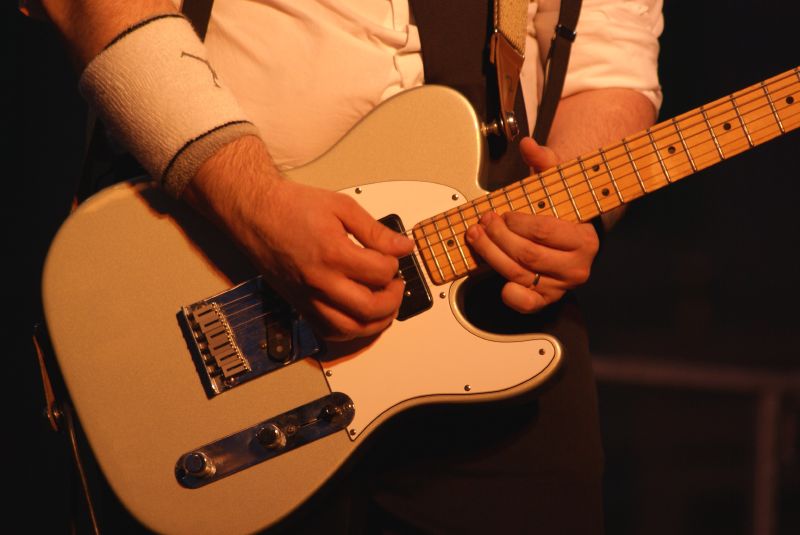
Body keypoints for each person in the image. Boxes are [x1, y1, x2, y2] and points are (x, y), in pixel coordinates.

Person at [36, 0, 662, 532]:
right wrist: (255, 206)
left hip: (495, 323)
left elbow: (609, 52)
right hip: (216, 277)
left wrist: (569, 215)